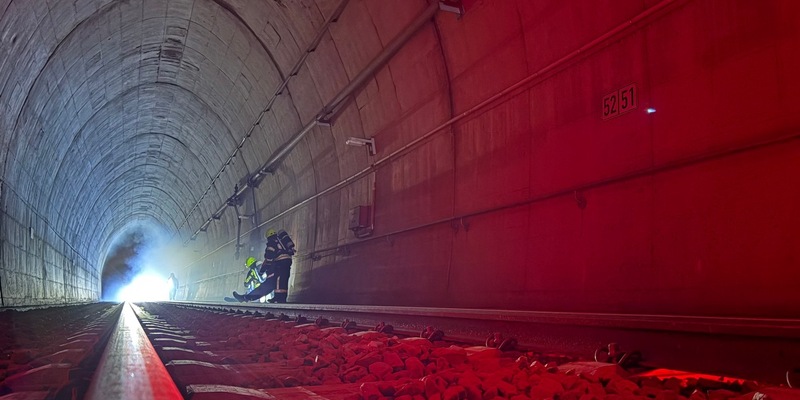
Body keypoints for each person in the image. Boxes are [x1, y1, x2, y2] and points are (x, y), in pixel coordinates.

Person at [232, 228, 293, 303]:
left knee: (269, 284)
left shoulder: (271, 242)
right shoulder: (282, 241)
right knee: (281, 281)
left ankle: (246, 297)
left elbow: (268, 258)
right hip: (288, 262)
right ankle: (279, 298)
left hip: (279, 265)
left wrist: (263, 270)